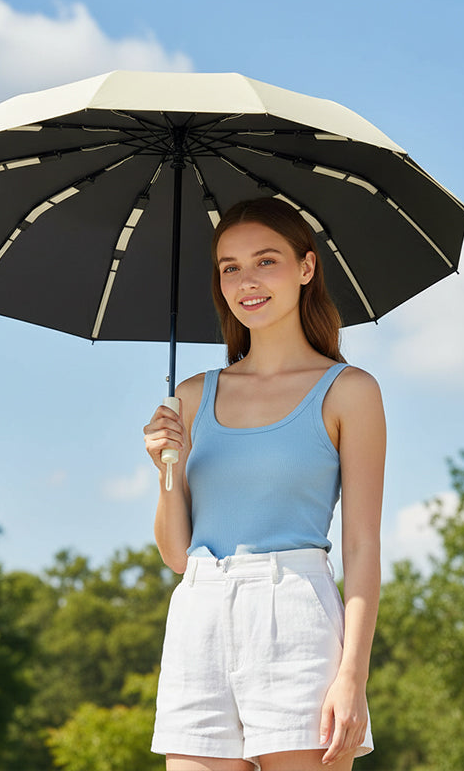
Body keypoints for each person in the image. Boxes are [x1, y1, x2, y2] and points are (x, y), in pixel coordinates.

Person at [143, 197, 385, 771]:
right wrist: (165, 471)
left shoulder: (349, 391)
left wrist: (352, 675)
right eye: (230, 267)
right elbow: (177, 555)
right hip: (198, 617)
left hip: (296, 616)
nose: (246, 281)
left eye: (265, 261)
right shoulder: (194, 396)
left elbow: (363, 547)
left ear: (306, 268)